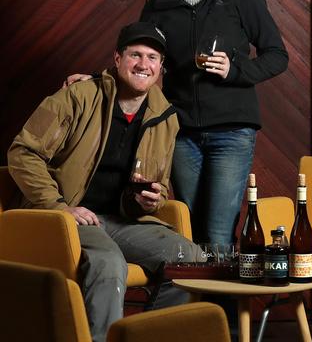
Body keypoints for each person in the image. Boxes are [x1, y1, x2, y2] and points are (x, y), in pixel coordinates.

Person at [8, 22, 201, 342]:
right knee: (110, 264)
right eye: (135, 54)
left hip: (123, 219)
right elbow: (22, 153)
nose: (144, 64)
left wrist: (155, 199)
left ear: (161, 67)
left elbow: (162, 183)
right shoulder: (77, 96)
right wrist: (59, 206)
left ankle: (140, 336)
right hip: (65, 216)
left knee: (192, 261)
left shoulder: (166, 116)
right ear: (117, 58)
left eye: (153, 57)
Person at [139, 0, 288, 245]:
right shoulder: (157, 9)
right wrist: (91, 80)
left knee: (219, 234)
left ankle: (224, 301)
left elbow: (277, 56)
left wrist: (234, 70)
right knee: (190, 233)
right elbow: (140, 64)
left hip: (233, 131)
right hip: (181, 133)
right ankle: (199, 300)